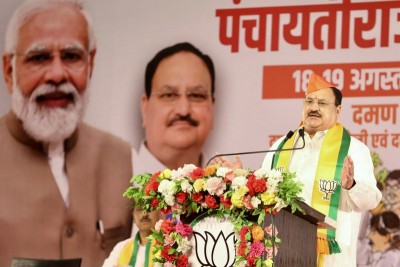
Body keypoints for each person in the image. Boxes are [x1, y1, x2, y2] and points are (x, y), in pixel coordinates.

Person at [0, 1, 132, 266]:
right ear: (9, 70)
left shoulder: (118, 155)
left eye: (72, 56)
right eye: (38, 58)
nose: (58, 74)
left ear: (90, 63)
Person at [216, 72, 382, 267]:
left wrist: (351, 185)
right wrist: (242, 179)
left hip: (331, 258)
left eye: (322, 103)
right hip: (280, 252)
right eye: (309, 101)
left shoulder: (354, 149)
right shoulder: (283, 145)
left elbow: (371, 200)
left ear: (338, 110)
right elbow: (264, 193)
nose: (313, 108)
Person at [133, 42, 215, 174]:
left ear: (212, 107)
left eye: (196, 95)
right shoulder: (107, 184)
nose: (183, 110)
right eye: (169, 95)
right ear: (144, 108)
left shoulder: (237, 190)